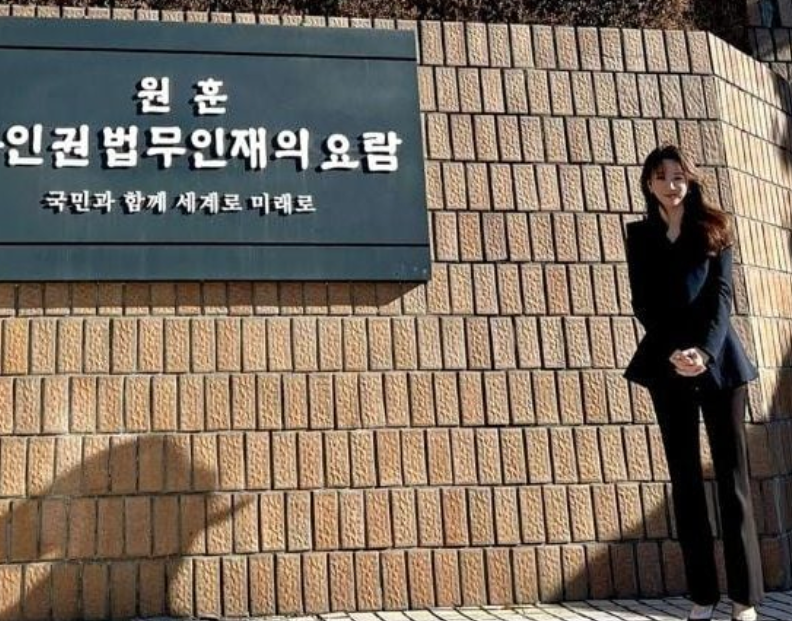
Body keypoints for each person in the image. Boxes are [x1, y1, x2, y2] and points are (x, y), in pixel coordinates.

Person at [623, 145, 763, 621]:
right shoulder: (640, 236)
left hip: (720, 364)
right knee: (685, 481)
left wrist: (703, 352)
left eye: (678, 176)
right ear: (649, 183)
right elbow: (643, 301)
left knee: (732, 480)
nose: (671, 184)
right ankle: (702, 596)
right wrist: (672, 352)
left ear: (690, 180)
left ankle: (744, 599)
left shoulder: (716, 226)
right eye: (662, 176)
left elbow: (722, 297)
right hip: (667, 365)